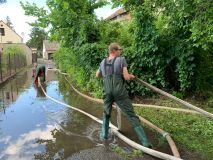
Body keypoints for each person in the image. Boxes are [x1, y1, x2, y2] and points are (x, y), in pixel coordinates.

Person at [96, 43, 152, 147]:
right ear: (114, 50)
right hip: (119, 92)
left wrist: (107, 73)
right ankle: (145, 143)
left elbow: (97, 75)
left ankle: (103, 136)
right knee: (131, 115)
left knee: (106, 113)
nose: (121, 51)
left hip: (107, 92)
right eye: (119, 50)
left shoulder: (103, 61)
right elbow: (126, 77)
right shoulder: (121, 60)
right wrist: (130, 76)